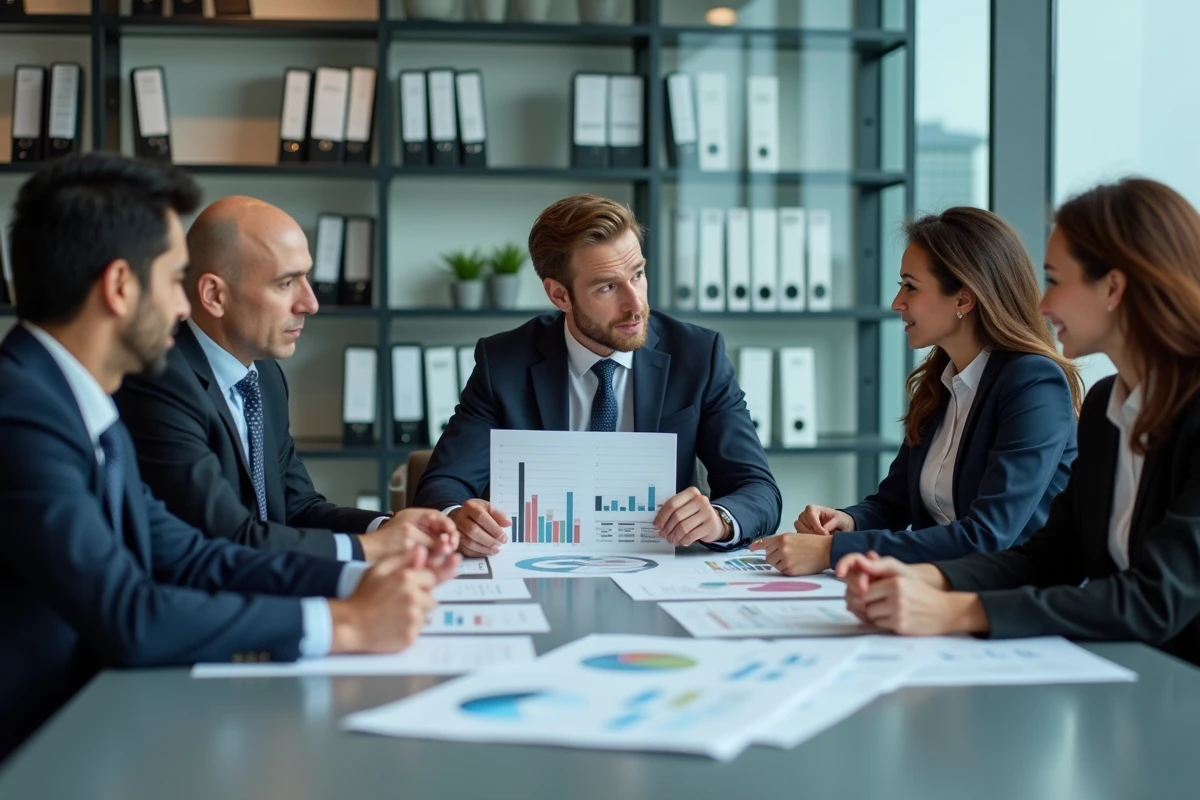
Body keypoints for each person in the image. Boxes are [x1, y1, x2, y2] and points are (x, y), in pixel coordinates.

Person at [0, 154, 457, 762]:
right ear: (118, 287)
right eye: (172, 280)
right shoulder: (21, 415)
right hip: (41, 743)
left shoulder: (79, 402)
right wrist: (344, 623)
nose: (184, 306)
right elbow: (129, 613)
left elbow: (184, 552)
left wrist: (364, 578)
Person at [838, 178, 1200, 666]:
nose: (1043, 305)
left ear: (1113, 287)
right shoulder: (1104, 406)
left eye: (1053, 279)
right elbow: (1049, 557)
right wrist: (924, 579)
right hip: (1131, 676)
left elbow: (1155, 599)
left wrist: (955, 610)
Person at [413, 194, 782, 557]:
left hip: (658, 572)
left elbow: (757, 489)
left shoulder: (698, 356)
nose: (635, 305)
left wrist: (719, 520)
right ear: (560, 295)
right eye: (607, 286)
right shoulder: (504, 363)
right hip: (538, 570)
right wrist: (459, 518)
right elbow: (443, 484)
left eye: (637, 274)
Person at [114, 196, 456, 563]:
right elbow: (225, 537)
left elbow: (297, 508)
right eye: (286, 283)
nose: (310, 303)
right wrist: (369, 549)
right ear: (214, 295)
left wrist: (388, 527)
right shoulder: (159, 381)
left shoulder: (264, 376)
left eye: (306, 277)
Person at [751, 207, 1082, 575]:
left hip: (1007, 602)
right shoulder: (940, 381)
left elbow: (987, 536)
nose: (897, 303)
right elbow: (893, 505)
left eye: (910, 285)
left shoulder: (1033, 383)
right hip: (931, 586)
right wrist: (847, 522)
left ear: (963, 299)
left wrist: (833, 551)